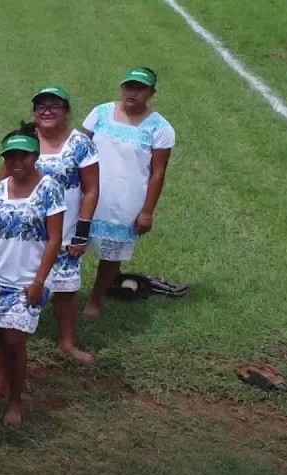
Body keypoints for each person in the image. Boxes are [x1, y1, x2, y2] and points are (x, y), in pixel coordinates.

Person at [1, 87, 99, 362]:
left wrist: (82, 233)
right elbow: (3, 182)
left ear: (67, 112)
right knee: (20, 285)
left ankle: (67, 342)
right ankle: (16, 337)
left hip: (66, 232)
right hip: (25, 235)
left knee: (66, 292)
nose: (47, 110)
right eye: (41, 106)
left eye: (55, 106)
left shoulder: (81, 144)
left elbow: (91, 190)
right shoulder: (23, 141)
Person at [0, 130, 66, 427]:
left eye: (23, 155)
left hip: (29, 277)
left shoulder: (49, 188)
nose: (16, 161)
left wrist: (39, 281)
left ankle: (16, 401)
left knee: (16, 338)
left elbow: (55, 239)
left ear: (35, 156)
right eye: (10, 156)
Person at [82, 67, 176, 317]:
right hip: (88, 194)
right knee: (72, 244)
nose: (133, 92)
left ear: (151, 93)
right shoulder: (100, 113)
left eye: (140, 88)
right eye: (129, 86)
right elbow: (78, 147)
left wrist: (147, 212)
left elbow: (158, 172)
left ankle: (95, 300)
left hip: (125, 202)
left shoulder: (160, 128)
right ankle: (65, 293)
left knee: (112, 254)